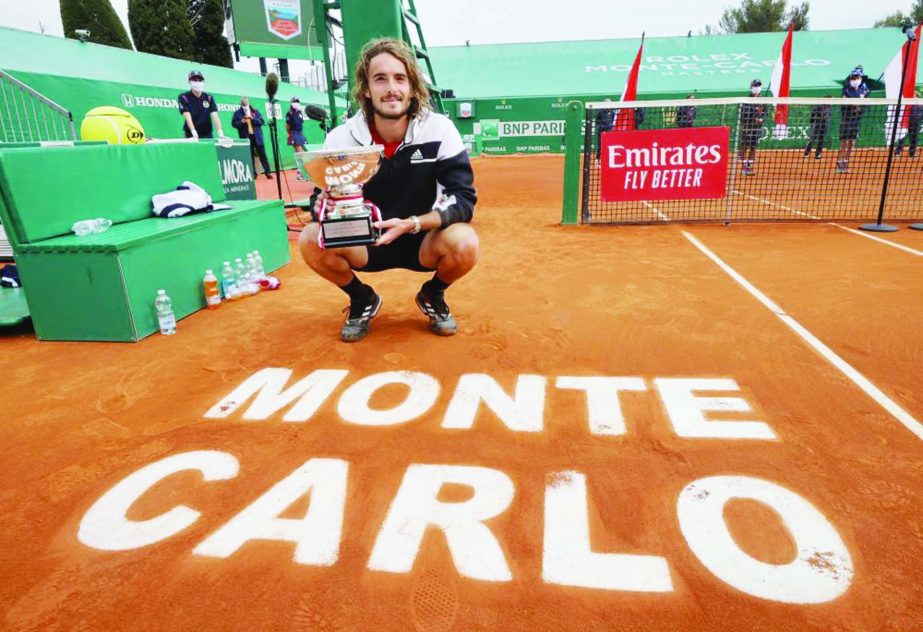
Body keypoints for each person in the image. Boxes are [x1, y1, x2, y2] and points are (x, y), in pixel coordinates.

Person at [298, 38, 478, 343]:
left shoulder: (440, 129)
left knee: (465, 243)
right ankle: (361, 298)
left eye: (400, 78)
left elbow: (463, 199)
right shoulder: (341, 138)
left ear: (411, 86)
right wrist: (329, 206)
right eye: (380, 79)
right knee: (310, 239)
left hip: (422, 239)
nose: (391, 88)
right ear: (366, 89)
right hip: (365, 241)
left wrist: (414, 223)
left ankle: (432, 294)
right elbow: (319, 201)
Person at [836, 67, 869, 174]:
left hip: (856, 122)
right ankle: (839, 161)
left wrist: (861, 104)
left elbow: (864, 108)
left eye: (858, 77)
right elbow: (844, 103)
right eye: (854, 77)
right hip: (846, 120)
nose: (856, 79)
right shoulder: (846, 90)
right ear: (851, 78)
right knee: (843, 143)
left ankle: (846, 161)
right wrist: (855, 104)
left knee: (852, 143)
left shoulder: (863, 91)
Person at [231, 97, 273, 180]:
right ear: (241, 102)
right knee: (250, 156)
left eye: (246, 100)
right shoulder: (237, 113)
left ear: (248, 102)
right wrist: (242, 121)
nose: (245, 101)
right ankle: (253, 174)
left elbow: (261, 121)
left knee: (262, 155)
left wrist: (252, 119)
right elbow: (234, 124)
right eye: (243, 100)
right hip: (246, 137)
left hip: (257, 136)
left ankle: (268, 172)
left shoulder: (255, 111)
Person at [178, 69, 225, 140]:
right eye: (194, 80)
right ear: (189, 82)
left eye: (200, 80)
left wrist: (220, 134)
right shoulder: (184, 97)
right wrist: (194, 133)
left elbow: (215, 115)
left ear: (203, 82)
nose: (197, 82)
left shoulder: (209, 98)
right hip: (191, 134)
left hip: (207, 134)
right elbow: (187, 116)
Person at [738, 79, 767, 176]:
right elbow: (743, 116)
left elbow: (765, 113)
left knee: (754, 147)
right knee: (745, 146)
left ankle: (749, 166)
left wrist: (761, 119)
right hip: (748, 128)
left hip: (757, 128)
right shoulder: (746, 100)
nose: (756, 88)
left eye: (758, 86)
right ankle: (743, 166)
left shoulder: (763, 101)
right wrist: (753, 118)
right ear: (751, 87)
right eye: (755, 86)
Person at [895, 89, 923, 157]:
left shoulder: (921, 105)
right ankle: (897, 152)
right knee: (902, 137)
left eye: (914, 95)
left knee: (914, 138)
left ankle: (912, 153)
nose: (912, 97)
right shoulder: (907, 104)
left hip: (916, 123)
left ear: (917, 96)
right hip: (906, 123)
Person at [286, 97, 307, 180]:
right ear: (291, 103)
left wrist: (302, 135)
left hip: (300, 134)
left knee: (301, 154)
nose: (296, 103)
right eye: (294, 101)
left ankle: (301, 173)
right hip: (293, 133)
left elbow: (301, 125)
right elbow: (287, 126)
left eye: (297, 101)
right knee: (300, 154)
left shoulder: (300, 113)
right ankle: (300, 174)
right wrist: (290, 134)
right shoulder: (289, 113)